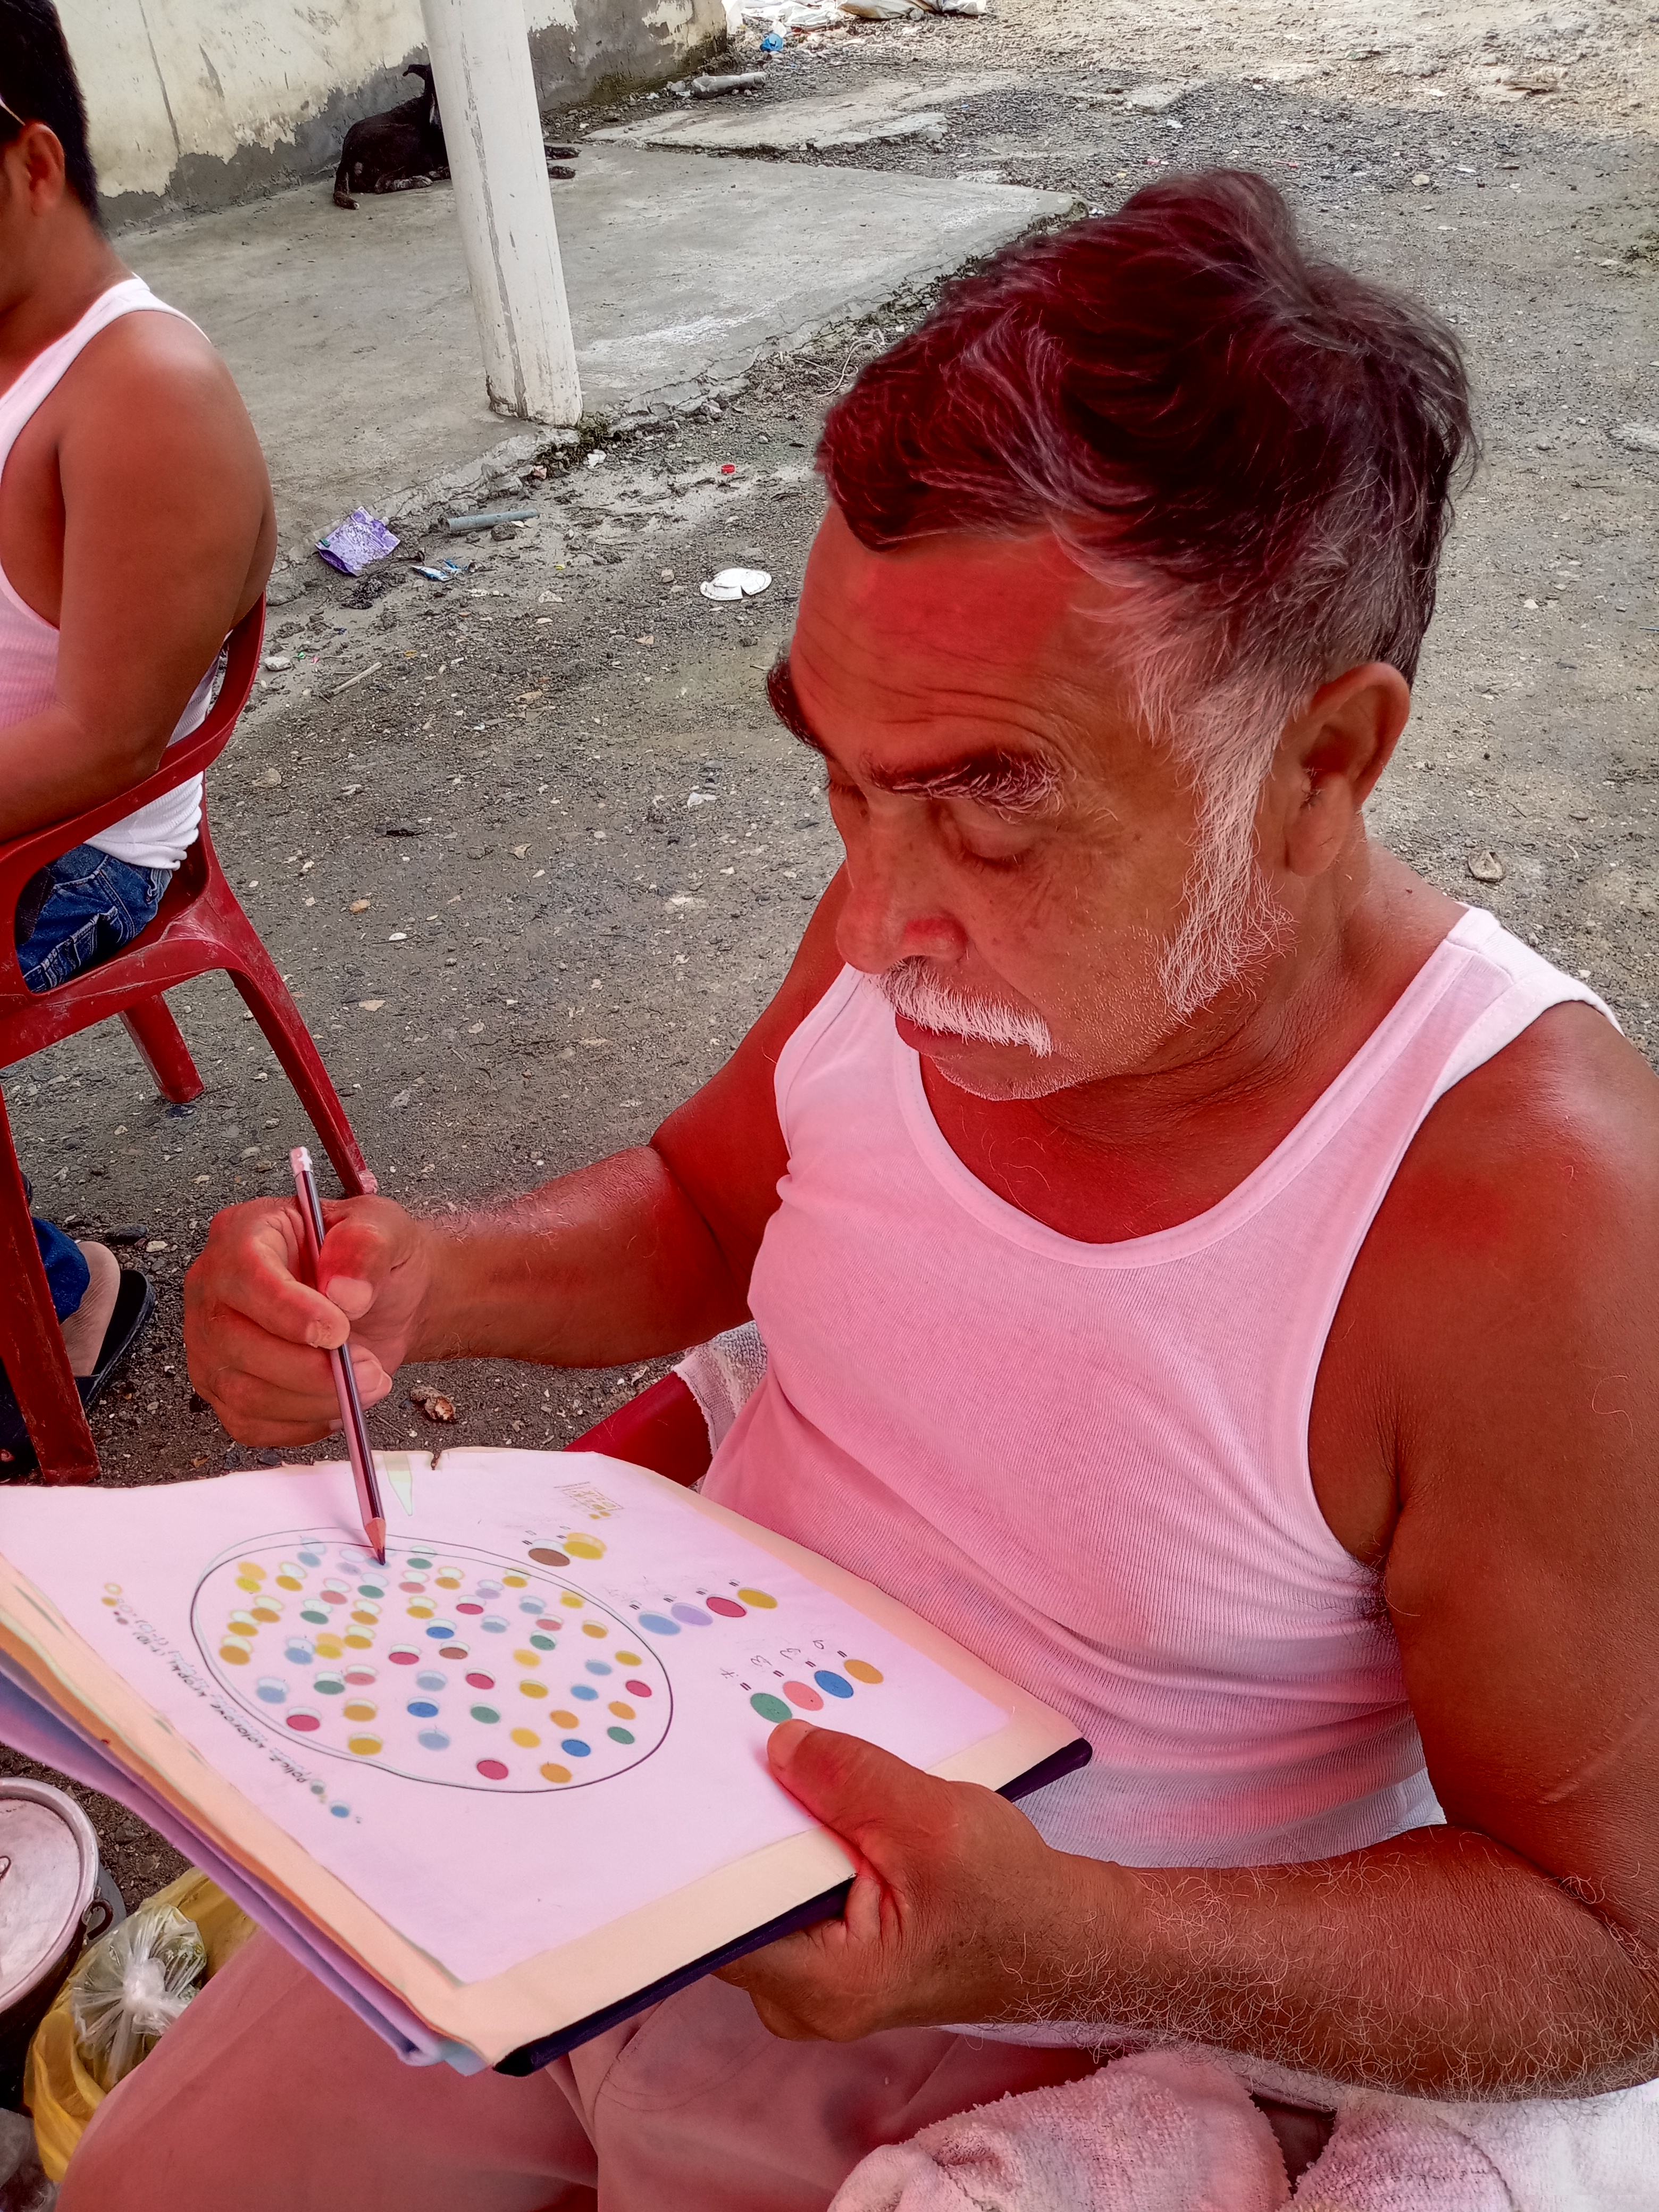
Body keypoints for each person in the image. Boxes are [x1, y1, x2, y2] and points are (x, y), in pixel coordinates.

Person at [76, 174, 1659, 2207]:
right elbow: (712, 1206)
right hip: (596, 1812)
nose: (882, 916)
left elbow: (1611, 1953)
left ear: (1323, 763)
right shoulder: (913, 931)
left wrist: (1070, 1940)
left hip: (1034, 2023)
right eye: (841, 775)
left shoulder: (1521, 1213)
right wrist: (428, 1283)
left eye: (994, 801)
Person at [0, 0, 273, 1461]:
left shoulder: (141, 394)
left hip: (80, 854)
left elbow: (104, 739)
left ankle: (62, 1299)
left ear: (32, 164)